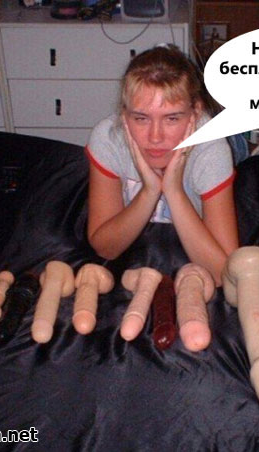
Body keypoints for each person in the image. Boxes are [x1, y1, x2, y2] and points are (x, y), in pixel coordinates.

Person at [85, 45, 239, 286]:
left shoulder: (211, 148)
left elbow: (223, 274)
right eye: (141, 118)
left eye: (172, 118)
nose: (155, 137)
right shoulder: (109, 137)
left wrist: (174, 190)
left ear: (195, 113)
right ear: (124, 115)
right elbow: (105, 248)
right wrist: (150, 190)